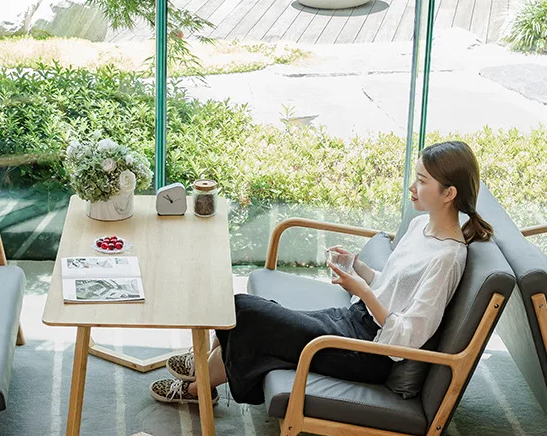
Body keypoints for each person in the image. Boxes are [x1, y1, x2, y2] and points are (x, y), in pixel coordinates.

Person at [149, 140, 494, 405]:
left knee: (246, 309)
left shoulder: (448, 258)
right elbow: (393, 287)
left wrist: (363, 292)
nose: (412, 187)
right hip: (353, 320)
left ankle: (198, 386)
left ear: (449, 193)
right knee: (255, 315)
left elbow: (409, 336)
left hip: (368, 351)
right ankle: (204, 371)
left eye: (421, 181)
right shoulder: (422, 225)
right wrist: (358, 267)